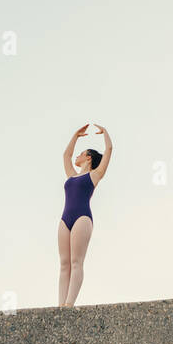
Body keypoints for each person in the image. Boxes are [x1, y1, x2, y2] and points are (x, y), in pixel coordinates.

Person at [58, 123, 112, 306]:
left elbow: (109, 150)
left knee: (76, 262)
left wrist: (105, 133)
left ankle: (69, 304)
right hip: (65, 219)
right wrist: (75, 135)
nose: (77, 156)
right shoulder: (72, 176)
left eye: (81, 153)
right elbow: (66, 155)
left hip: (82, 218)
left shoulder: (95, 175)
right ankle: (60, 305)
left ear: (88, 157)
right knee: (64, 264)